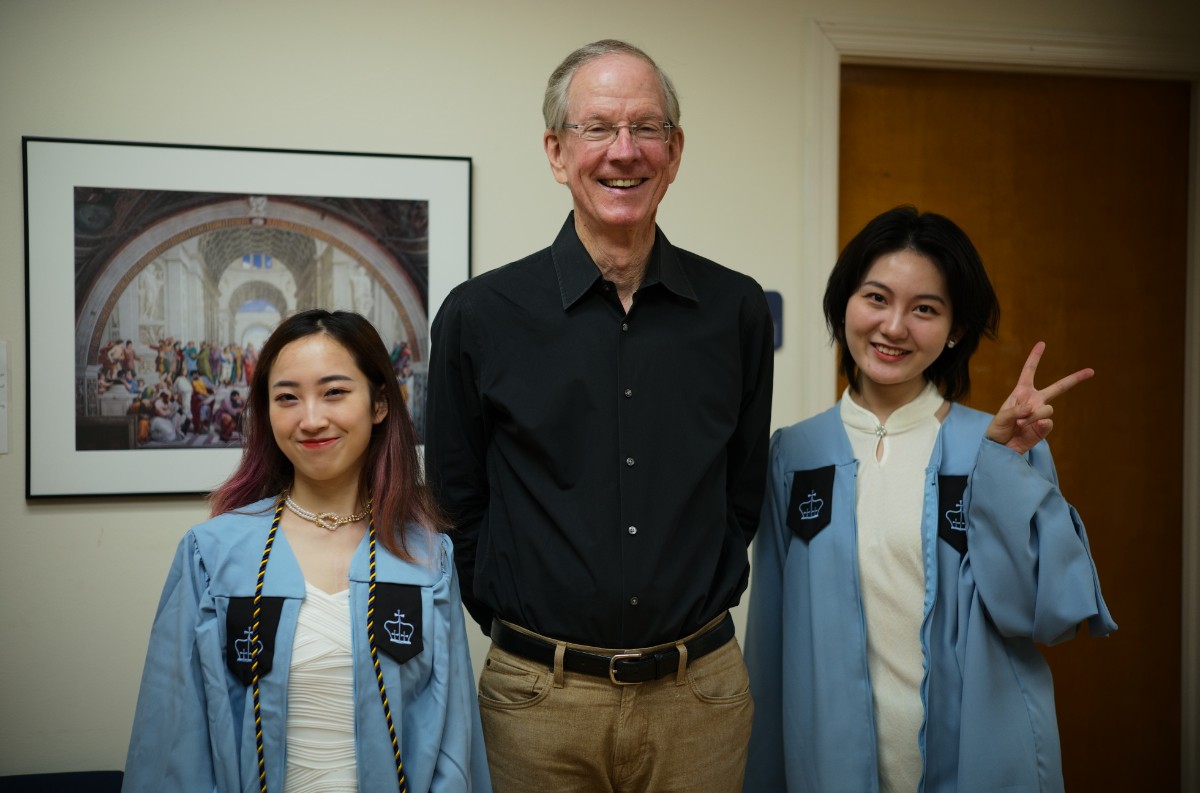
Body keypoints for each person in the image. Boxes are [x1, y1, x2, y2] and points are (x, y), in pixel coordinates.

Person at [425, 39, 774, 792]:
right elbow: (457, 502)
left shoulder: (734, 309)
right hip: (538, 704)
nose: (625, 152)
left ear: (675, 152)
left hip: (699, 698)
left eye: (647, 128)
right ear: (556, 151)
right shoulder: (480, 315)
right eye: (597, 128)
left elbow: (741, 490)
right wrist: (517, 625)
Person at [742, 206, 1116, 793]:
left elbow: (1044, 616)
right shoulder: (795, 454)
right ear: (845, 303)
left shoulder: (996, 446)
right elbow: (771, 646)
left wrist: (1003, 473)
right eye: (876, 298)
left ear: (955, 330)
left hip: (979, 761)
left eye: (925, 309)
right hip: (830, 764)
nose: (894, 327)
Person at [124, 310, 491, 793]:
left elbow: (454, 744)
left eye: (334, 392)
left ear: (380, 403)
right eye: (287, 398)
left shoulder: (426, 557)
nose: (311, 419)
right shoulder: (213, 555)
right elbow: (174, 742)